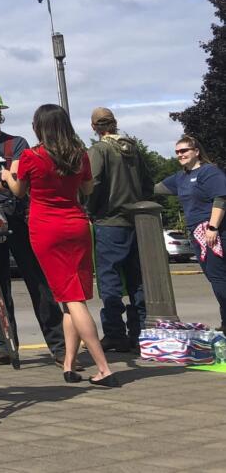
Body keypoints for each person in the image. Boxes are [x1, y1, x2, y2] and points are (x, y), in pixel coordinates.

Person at [3, 104, 118, 386]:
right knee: (70, 295)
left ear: (38, 127)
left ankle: (103, 367)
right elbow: (88, 189)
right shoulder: (79, 155)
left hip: (46, 228)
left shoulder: (30, 156)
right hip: (77, 225)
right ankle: (69, 363)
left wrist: (9, 175)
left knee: (71, 299)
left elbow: (19, 192)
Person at [0, 89, 66, 366]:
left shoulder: (16, 144)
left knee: (37, 282)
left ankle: (59, 347)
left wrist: (2, 184)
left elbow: (17, 183)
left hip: (18, 220)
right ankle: (4, 345)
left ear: (1, 113)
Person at [86, 106, 152, 351]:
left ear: (94, 127)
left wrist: (90, 210)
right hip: (136, 221)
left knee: (109, 280)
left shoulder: (99, 150)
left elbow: (92, 184)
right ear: (115, 123)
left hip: (109, 221)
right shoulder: (133, 149)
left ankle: (115, 332)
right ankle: (141, 331)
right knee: (137, 279)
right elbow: (147, 184)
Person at [153, 135, 226, 331]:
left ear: (196, 151)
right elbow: (155, 188)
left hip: (212, 231)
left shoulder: (208, 172)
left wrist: (213, 227)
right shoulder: (180, 177)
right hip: (195, 233)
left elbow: (220, 198)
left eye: (184, 150)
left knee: (219, 279)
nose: (180, 155)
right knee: (214, 278)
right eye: (177, 152)